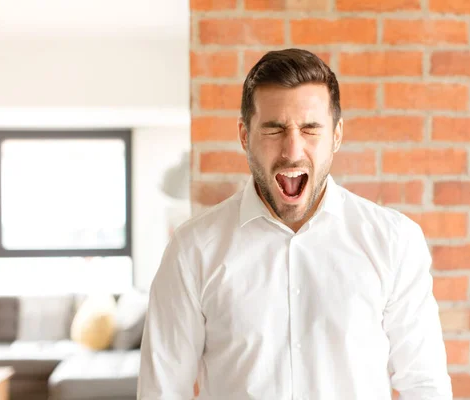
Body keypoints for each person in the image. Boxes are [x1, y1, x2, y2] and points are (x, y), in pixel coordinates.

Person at [138, 48, 453, 399]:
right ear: (245, 135)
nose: (292, 150)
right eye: (274, 130)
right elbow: (162, 392)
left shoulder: (394, 241)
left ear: (336, 136)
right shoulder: (192, 250)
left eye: (310, 129)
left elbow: (425, 385)